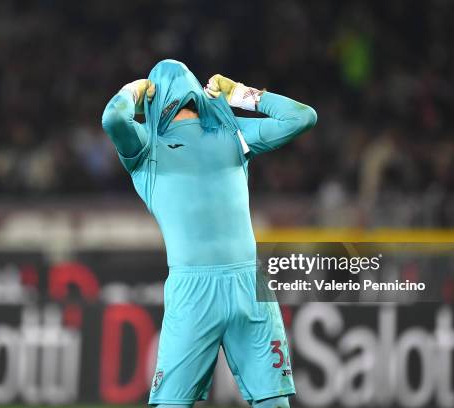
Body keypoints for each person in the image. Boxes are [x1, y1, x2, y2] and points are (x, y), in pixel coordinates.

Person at [101, 60, 317, 408]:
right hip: (251, 286)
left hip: (194, 295)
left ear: (153, 101)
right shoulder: (232, 133)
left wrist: (133, 91)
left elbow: (113, 118)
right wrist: (240, 93)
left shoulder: (147, 148)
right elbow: (302, 116)